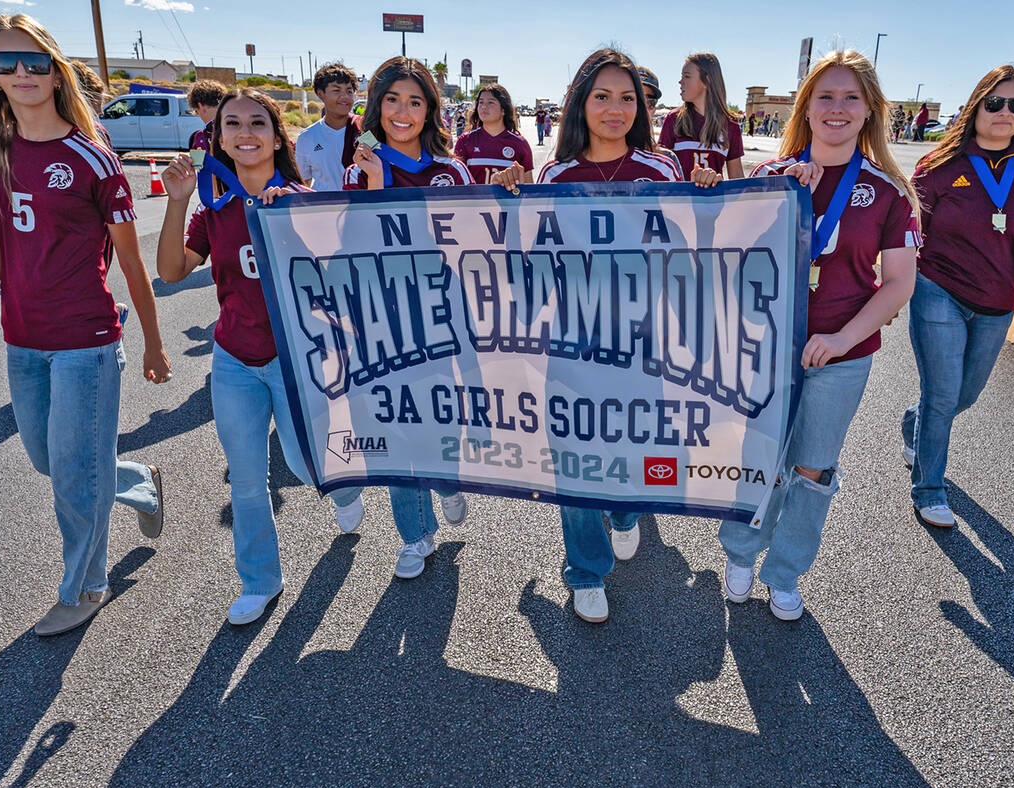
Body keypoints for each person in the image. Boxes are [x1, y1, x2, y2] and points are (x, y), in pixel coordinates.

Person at [0, 13, 170, 637]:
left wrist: (151, 341)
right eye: (5, 63)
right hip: (23, 342)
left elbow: (129, 258)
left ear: (54, 68)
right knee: (50, 461)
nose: (22, 73)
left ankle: (84, 587)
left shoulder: (92, 160)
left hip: (87, 342)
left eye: (35, 61)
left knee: (71, 472)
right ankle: (137, 482)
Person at [718, 49, 920, 621]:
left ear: (869, 111)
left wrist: (839, 339)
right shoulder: (768, 177)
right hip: (761, 352)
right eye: (824, 97)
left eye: (850, 97)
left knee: (812, 469)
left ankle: (784, 571)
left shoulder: (886, 192)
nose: (837, 108)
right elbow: (723, 258)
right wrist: (782, 197)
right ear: (806, 109)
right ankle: (740, 552)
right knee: (756, 457)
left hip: (841, 355)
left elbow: (898, 284)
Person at [157, 89, 366, 624]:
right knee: (248, 478)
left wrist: (294, 221)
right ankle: (260, 582)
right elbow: (173, 272)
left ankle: (344, 490)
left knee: (303, 462)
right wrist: (177, 199)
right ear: (218, 138)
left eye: (257, 123)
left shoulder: (301, 199)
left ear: (277, 137)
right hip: (233, 361)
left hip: (296, 360)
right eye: (233, 124)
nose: (245, 133)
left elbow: (341, 273)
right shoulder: (215, 207)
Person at [494, 47, 687, 623]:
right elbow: (526, 264)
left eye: (627, 98)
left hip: (642, 344)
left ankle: (626, 512)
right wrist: (508, 205)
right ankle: (584, 570)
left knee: (630, 450)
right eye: (601, 96)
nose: (615, 108)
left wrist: (705, 197)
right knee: (574, 458)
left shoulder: (663, 171)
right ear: (581, 102)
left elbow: (690, 254)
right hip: (570, 343)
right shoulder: (554, 176)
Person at [901, 65, 1014, 529]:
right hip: (937, 291)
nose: (1005, 112)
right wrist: (893, 285)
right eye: (995, 102)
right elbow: (911, 230)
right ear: (975, 108)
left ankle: (915, 423)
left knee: (960, 397)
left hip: (996, 302)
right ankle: (929, 489)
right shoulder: (938, 166)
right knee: (943, 394)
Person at [344, 56, 471, 579]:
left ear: (429, 111)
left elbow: (474, 241)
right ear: (377, 107)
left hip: (444, 313)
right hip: (384, 318)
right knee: (398, 427)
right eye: (392, 100)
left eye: (415, 102)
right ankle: (416, 536)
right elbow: (352, 249)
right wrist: (374, 190)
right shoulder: (361, 170)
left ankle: (448, 480)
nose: (402, 111)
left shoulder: (452, 170)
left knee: (440, 422)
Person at [659, 53, 745, 180]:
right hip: (679, 198)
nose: (680, 82)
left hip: (713, 199)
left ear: (707, 80)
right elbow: (660, 172)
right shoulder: (673, 119)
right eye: (681, 77)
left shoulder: (731, 124)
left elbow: (737, 179)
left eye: (687, 76)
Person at [454, 83, 533, 184]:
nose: (483, 107)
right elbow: (457, 184)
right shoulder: (465, 140)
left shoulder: (520, 144)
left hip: (507, 200)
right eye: (481, 102)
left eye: (490, 102)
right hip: (474, 200)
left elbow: (529, 186)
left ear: (503, 110)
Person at [295, 63, 357, 190]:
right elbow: (303, 184)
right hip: (324, 207)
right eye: (336, 90)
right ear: (320, 94)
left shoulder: (364, 131)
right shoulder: (306, 137)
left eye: (349, 91)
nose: (344, 97)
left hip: (359, 207)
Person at [636, 65, 682, 171]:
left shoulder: (666, 161)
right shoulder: (597, 158)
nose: (640, 108)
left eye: (649, 102)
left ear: (654, 110)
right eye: (631, 98)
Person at [187, 79, 226, 152]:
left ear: (200, 106)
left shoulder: (200, 136)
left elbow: (198, 162)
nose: (199, 116)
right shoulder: (234, 128)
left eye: (196, 111)